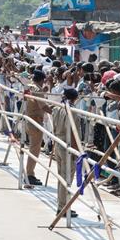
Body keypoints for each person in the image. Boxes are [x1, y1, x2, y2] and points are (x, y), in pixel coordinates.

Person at [51, 87, 79, 217]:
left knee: (62, 176)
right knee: (67, 177)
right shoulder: (71, 110)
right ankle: (63, 207)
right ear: (75, 98)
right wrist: (76, 151)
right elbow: (73, 132)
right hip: (67, 143)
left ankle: (61, 204)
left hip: (58, 141)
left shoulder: (57, 107)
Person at [24, 70, 52, 186]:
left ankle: (29, 173)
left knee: (33, 147)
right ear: (42, 80)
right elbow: (44, 106)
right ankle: (29, 175)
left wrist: (42, 92)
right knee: (35, 149)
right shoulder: (38, 90)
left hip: (29, 119)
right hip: (35, 121)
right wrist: (57, 111)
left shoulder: (30, 86)